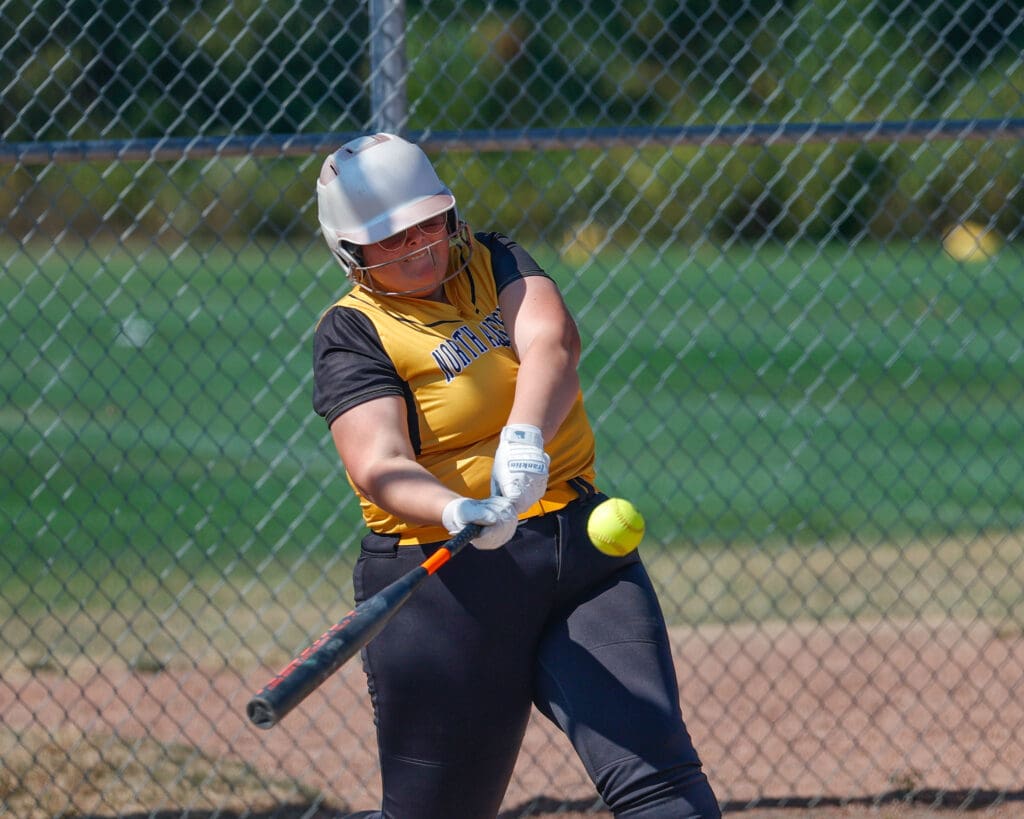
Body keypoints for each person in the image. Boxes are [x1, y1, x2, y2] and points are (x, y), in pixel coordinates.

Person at [311, 132, 720, 819]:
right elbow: (377, 462)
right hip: (448, 583)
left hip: (580, 558)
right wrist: (454, 509)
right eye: (391, 240)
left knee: (661, 781)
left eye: (428, 224)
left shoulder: (493, 259)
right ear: (351, 255)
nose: (420, 248)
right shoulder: (352, 332)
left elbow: (552, 342)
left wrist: (524, 440)